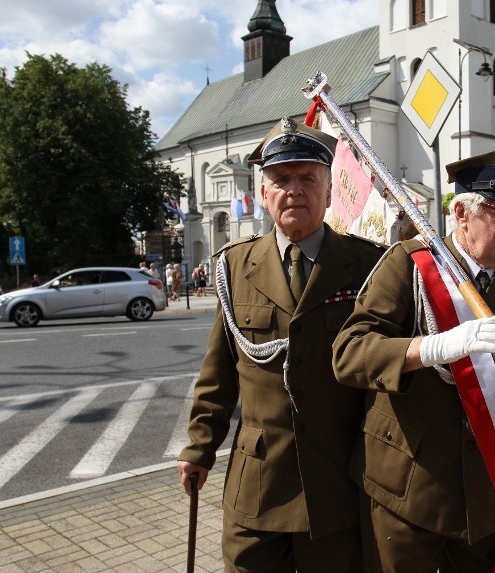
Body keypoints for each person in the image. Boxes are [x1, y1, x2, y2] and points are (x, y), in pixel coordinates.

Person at [332, 146, 495, 573]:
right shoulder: (408, 265)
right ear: (462, 213)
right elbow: (350, 352)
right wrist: (430, 348)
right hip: (407, 491)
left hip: (485, 489)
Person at [177, 117, 385, 572]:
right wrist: (199, 448)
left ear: (329, 192)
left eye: (308, 178)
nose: (294, 189)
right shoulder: (234, 266)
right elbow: (218, 374)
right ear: (265, 193)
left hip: (337, 483)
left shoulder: (368, 265)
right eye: (281, 179)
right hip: (259, 484)